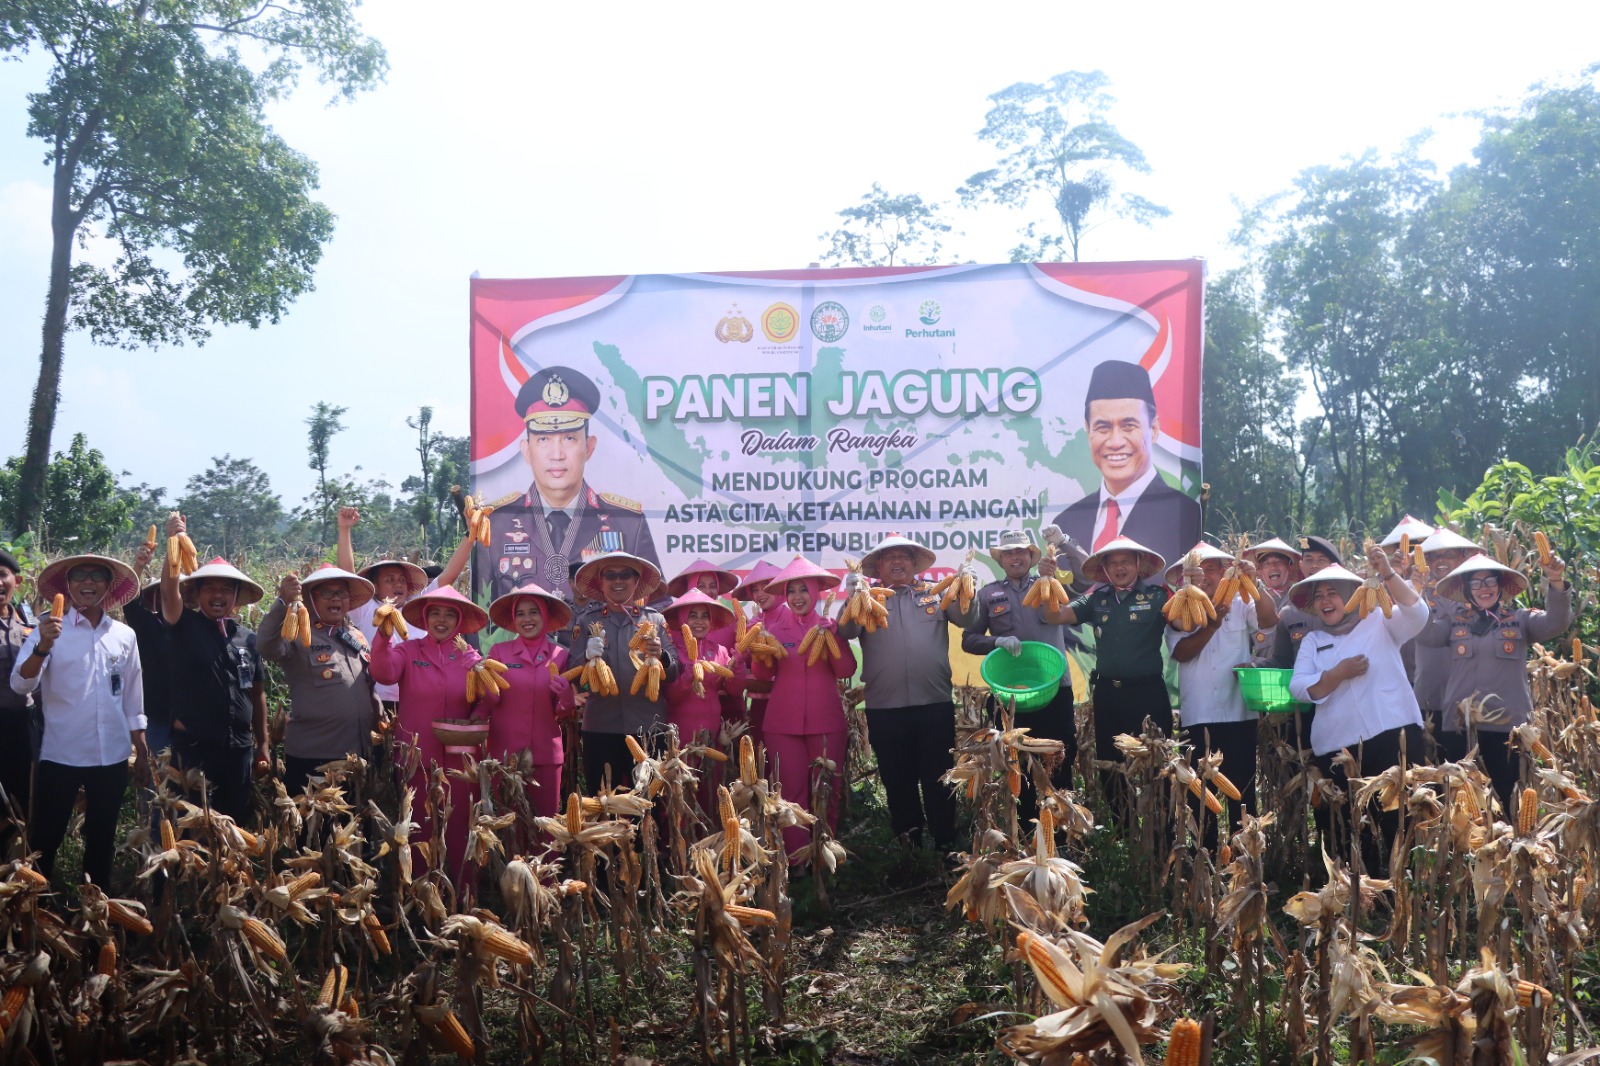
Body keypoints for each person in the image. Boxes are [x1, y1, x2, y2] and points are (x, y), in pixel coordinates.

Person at [10, 553, 148, 887]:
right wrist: (43, 646)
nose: (88, 582)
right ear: (68, 586)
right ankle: (36, 902)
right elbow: (20, 684)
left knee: (102, 835)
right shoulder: (48, 631)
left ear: (108, 586)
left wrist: (141, 750)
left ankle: (96, 901)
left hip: (112, 754)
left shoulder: (123, 635)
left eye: (97, 575)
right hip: (62, 753)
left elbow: (132, 695)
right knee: (47, 835)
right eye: (79, 576)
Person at [836, 535, 979, 854]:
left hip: (934, 703)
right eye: (890, 557)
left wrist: (968, 589)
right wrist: (851, 598)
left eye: (904, 556)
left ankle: (945, 843)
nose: (897, 562)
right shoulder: (868, 598)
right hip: (885, 707)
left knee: (939, 777)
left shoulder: (934, 593)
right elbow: (846, 631)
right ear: (878, 567)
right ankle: (909, 845)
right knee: (897, 778)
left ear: (915, 564)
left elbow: (967, 618)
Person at [1287, 548, 1426, 876]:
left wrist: (1388, 573)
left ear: (1353, 596)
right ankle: (1359, 889)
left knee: (1397, 817)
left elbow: (1417, 614)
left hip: (1392, 735)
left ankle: (1402, 885)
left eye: (1333, 593)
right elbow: (1299, 687)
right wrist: (1336, 674)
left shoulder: (1380, 621)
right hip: (1338, 748)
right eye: (1319, 596)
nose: (1325, 600)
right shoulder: (1313, 640)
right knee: (1351, 824)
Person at [486, 366, 660, 603]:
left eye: (569, 438)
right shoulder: (495, 524)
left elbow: (657, 602)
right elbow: (480, 606)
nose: (557, 454)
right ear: (526, 450)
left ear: (588, 447)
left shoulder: (628, 522)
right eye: (543, 439)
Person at [1420, 552, 1571, 818]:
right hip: (1460, 727)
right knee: (1460, 804)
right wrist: (1414, 596)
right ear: (1467, 590)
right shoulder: (1453, 622)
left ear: (1500, 586)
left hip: (1507, 728)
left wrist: (1556, 581)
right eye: (1476, 583)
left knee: (1510, 798)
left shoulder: (1520, 620)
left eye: (1490, 581)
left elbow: (1556, 622)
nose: (1484, 588)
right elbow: (1426, 635)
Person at [368, 585, 488, 879]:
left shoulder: (469, 655)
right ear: (425, 618)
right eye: (435, 613)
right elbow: (383, 673)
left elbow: (490, 701)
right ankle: (420, 892)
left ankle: (463, 891)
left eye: (449, 614)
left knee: (460, 827)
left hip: (460, 758)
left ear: (459, 621)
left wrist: (480, 678)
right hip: (416, 757)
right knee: (419, 827)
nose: (441, 620)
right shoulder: (409, 650)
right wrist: (383, 635)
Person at [961, 529, 1078, 823]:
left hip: (1054, 689)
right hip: (1012, 696)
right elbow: (969, 640)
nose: (1015, 558)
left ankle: (1063, 830)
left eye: (1021, 552)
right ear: (1001, 559)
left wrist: (1064, 543)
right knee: (1018, 766)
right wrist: (996, 641)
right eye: (1009, 553)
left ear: (1031, 556)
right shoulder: (988, 594)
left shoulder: (1050, 583)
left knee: (1060, 760)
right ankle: (1025, 830)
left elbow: (1086, 580)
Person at [1164, 543, 1277, 845]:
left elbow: (1269, 621)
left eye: (1211, 569)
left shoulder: (1240, 602)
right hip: (1196, 714)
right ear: (1185, 577)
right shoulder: (1179, 608)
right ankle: (1204, 858)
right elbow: (1181, 653)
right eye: (1196, 572)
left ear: (1224, 571)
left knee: (1243, 794)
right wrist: (1212, 626)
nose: (1204, 576)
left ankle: (1246, 857)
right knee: (1200, 797)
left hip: (1238, 713)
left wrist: (1255, 584)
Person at [160, 515, 267, 827]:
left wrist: (262, 744)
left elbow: (257, 694)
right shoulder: (184, 625)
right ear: (196, 595)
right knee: (190, 831)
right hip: (194, 751)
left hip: (238, 750)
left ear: (236, 597)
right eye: (210, 588)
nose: (218, 595)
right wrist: (173, 542)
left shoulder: (247, 638)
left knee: (234, 827)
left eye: (226, 589)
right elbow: (168, 591)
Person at [1054, 537, 1171, 820]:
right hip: (1108, 694)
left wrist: (1189, 587)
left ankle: (1162, 832)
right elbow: (1056, 615)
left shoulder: (1158, 596)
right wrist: (1048, 581)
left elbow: (1183, 622)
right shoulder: (1097, 599)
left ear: (1138, 565)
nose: (1120, 568)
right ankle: (1123, 830)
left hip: (1148, 693)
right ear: (1105, 569)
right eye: (1113, 563)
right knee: (1110, 764)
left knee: (1159, 763)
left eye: (1126, 562)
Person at [1049, 360, 1202, 568]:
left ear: (1154, 429)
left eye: (1129, 426)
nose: (1115, 442)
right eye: (1103, 427)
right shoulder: (1066, 523)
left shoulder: (1185, 514)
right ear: (1088, 430)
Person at [754, 558, 857, 860]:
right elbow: (762, 676)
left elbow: (846, 669)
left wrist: (835, 636)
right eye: (791, 591)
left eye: (803, 590)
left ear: (815, 593)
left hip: (826, 722)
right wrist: (759, 649)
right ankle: (797, 860)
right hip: (782, 724)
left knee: (826, 790)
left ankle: (825, 857)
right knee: (790, 795)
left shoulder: (829, 627)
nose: (797, 597)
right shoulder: (774, 628)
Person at [258, 566, 382, 797]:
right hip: (314, 756)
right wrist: (283, 603)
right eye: (327, 593)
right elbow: (265, 646)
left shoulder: (356, 636)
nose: (336, 598)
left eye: (342, 593)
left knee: (355, 818)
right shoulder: (298, 635)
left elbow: (367, 685)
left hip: (357, 755)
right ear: (311, 600)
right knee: (313, 819)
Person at [336, 506, 475, 708]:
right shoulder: (366, 609)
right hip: (376, 697)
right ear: (375, 586)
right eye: (390, 580)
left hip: (417, 697)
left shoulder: (418, 607)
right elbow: (348, 575)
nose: (398, 584)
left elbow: (448, 576)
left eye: (402, 580)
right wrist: (344, 529)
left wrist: (470, 534)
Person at [565, 552, 680, 793]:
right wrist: (586, 656)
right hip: (601, 727)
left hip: (648, 726)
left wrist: (662, 656)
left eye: (625, 574)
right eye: (610, 575)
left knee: (649, 801)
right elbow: (572, 674)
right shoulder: (587, 622)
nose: (618, 580)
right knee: (603, 798)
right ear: (601, 582)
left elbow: (675, 671)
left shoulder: (655, 620)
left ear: (636, 581)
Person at [485, 584, 575, 822]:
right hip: (506, 755)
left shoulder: (560, 655)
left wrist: (567, 697)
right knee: (511, 826)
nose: (527, 619)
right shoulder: (499, 653)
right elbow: (491, 700)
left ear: (545, 616)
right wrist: (482, 680)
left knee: (545, 825)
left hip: (545, 754)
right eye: (520, 613)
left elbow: (562, 711)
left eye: (534, 612)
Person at [1410, 529, 1484, 757]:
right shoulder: (1416, 591)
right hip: (1429, 695)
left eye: (1448, 554)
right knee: (1431, 765)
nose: (1440, 560)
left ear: (1462, 557)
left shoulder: (1480, 593)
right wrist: (1415, 592)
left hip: (1468, 699)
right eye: (1434, 556)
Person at [662, 588, 746, 749]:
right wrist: (690, 672)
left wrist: (739, 663)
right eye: (693, 616)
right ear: (682, 619)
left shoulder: (720, 650)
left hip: (712, 730)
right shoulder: (672, 652)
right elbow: (672, 697)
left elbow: (735, 690)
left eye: (705, 616)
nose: (699, 621)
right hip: (681, 731)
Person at [0, 550, 38, 823]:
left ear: (18, 581)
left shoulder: (31, 624)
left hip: (26, 725)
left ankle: (20, 844)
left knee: (24, 793)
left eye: (3, 575)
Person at [1266, 535, 1343, 669]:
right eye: (1309, 560)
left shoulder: (1351, 606)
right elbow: (1282, 660)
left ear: (1335, 565)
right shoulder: (1288, 613)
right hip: (1304, 681)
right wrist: (1254, 665)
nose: (1314, 565)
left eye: (1321, 560)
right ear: (1301, 565)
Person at [730, 560, 781, 742]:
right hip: (759, 702)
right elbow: (750, 665)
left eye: (766, 587)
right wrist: (743, 652)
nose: (760, 594)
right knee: (761, 751)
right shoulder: (754, 622)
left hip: (788, 700)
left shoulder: (792, 618)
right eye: (755, 590)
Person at [1240, 537, 1301, 663]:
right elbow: (1242, 648)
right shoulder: (1250, 602)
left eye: (1279, 562)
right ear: (1259, 571)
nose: (1273, 567)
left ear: (1289, 567)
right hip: (1262, 673)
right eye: (1267, 564)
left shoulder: (1301, 599)